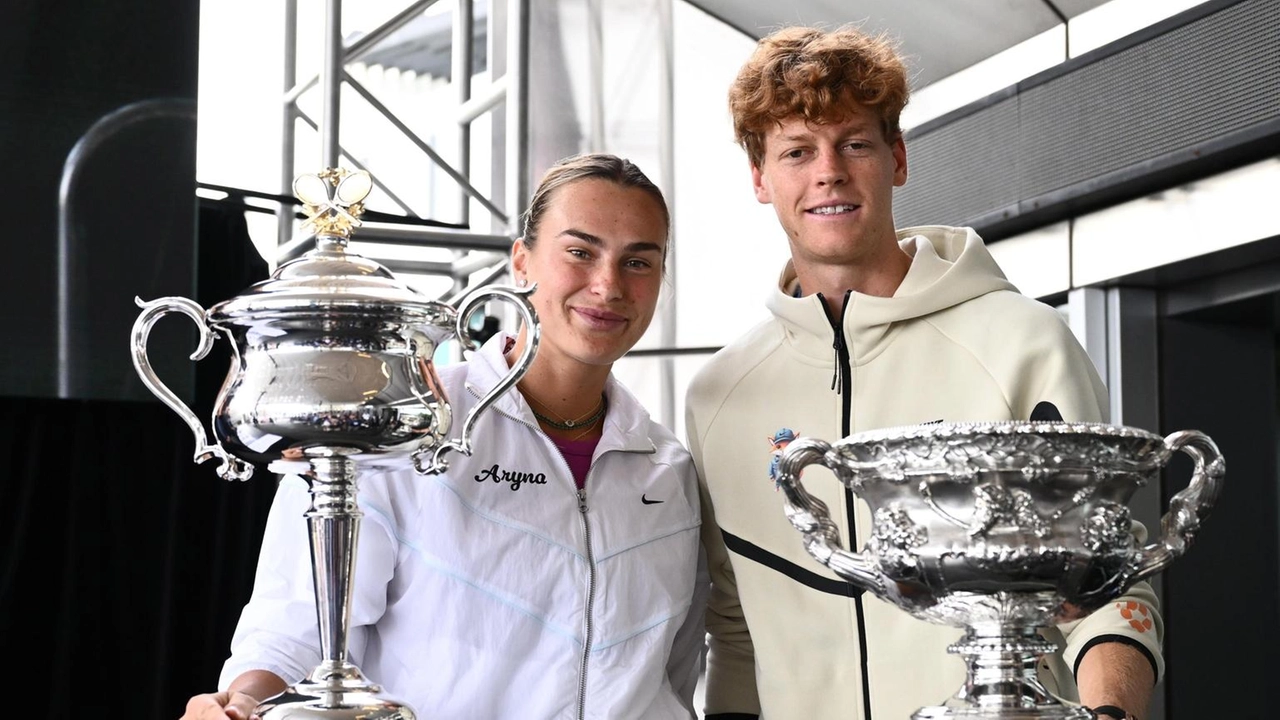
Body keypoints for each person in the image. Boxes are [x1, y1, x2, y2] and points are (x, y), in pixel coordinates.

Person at [684, 25, 1160, 720]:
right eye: (796, 151)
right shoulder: (719, 396)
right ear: (760, 178)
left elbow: (1113, 587)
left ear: (897, 158)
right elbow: (734, 629)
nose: (829, 173)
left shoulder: (1021, 342)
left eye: (854, 143)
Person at [183, 153, 708, 720]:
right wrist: (240, 702)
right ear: (522, 262)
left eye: (639, 262)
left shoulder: (669, 469)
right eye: (580, 252)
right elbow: (296, 630)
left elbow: (676, 675)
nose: (608, 285)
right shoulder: (403, 426)